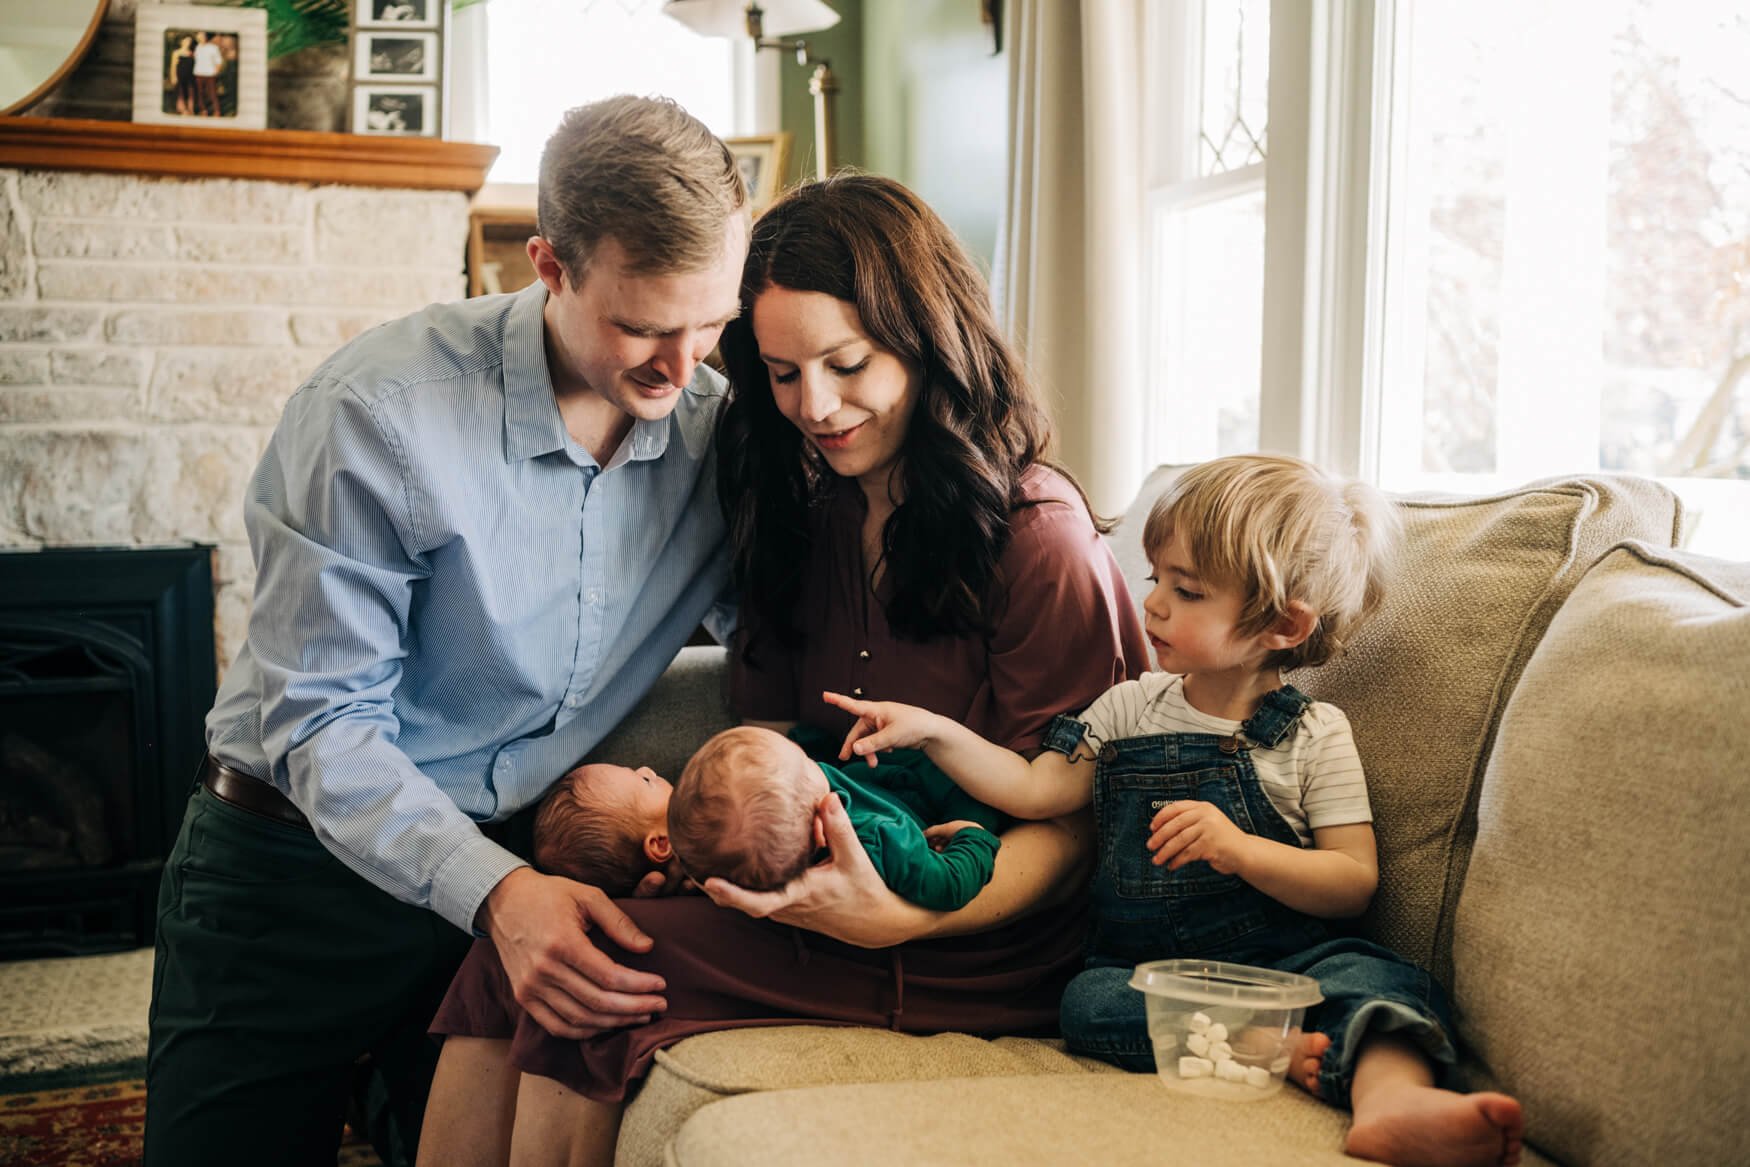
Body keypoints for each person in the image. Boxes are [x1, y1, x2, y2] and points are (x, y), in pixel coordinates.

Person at [421, 174, 1150, 1166]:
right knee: (522, 950)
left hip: (978, 932)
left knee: (587, 975)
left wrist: (892, 914)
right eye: (779, 373)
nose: (816, 407)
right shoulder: (806, 520)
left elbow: (1079, 819)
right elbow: (765, 744)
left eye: (847, 365)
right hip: (806, 899)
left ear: (928, 341)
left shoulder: (1038, 542)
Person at [143, 95, 750, 1167]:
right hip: (290, 879)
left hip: (519, 868)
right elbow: (322, 723)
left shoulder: (716, 431)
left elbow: (792, 640)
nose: (681, 364)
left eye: (711, 323)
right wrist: (496, 895)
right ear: (548, 265)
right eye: (645, 327)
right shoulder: (377, 413)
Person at [825, 453, 1528, 1167]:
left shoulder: (1313, 734)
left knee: (1387, 985)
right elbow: (1037, 789)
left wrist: (1239, 848)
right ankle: (1268, 1043)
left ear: (1284, 624)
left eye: (1186, 591)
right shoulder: (1129, 708)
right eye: (1155, 577)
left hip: (1293, 961)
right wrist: (935, 731)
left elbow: (1353, 880)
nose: (1152, 603)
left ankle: (1394, 1102)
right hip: (1152, 970)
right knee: (1086, 1003)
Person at [533, 725, 1004, 910]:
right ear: (658, 845)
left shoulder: (728, 849)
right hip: (939, 808)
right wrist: (975, 839)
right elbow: (949, 884)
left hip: (890, 785)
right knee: (966, 783)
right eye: (642, 782)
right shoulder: (882, 840)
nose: (648, 767)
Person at [191, 31, 222, 117]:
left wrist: (216, 71)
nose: (200, 38)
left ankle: (217, 111)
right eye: (199, 36)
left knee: (212, 94)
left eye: (202, 36)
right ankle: (203, 111)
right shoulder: (197, 48)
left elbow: (218, 61)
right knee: (200, 94)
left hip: (210, 74)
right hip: (198, 73)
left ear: (205, 37)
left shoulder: (213, 47)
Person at [167, 35, 196, 117]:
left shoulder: (192, 53)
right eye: (186, 41)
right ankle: (182, 110)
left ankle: (191, 110)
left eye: (189, 41)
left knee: (191, 94)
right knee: (181, 94)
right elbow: (173, 66)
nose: (188, 43)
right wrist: (173, 77)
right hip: (180, 76)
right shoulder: (176, 52)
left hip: (190, 77)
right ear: (182, 42)